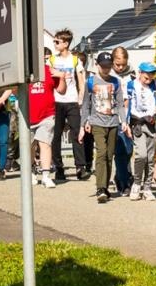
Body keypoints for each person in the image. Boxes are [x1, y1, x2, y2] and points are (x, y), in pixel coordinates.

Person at [79, 51, 129, 204]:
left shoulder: (116, 81)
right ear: (97, 65)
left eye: (108, 66)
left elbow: (120, 103)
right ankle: (100, 187)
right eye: (103, 66)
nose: (106, 69)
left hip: (113, 122)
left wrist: (124, 121)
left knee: (109, 155)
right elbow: (86, 104)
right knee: (101, 152)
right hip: (97, 122)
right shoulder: (91, 81)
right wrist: (83, 124)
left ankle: (105, 186)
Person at [48, 30, 87, 183]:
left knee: (77, 133)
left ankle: (80, 167)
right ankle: (58, 167)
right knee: (56, 135)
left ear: (66, 43)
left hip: (71, 101)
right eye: (54, 42)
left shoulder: (75, 60)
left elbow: (81, 81)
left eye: (57, 42)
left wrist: (80, 98)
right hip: (56, 101)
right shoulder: (51, 60)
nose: (55, 44)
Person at [127, 61, 156, 199]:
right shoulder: (131, 85)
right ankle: (136, 184)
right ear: (140, 72)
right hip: (137, 124)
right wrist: (125, 123)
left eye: (152, 73)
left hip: (151, 123)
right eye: (147, 73)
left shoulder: (154, 84)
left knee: (150, 158)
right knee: (141, 155)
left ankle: (147, 188)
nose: (150, 76)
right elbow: (126, 104)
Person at [27, 53, 58, 187]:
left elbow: (61, 89)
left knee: (45, 144)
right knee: (29, 146)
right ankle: (31, 171)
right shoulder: (24, 72)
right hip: (28, 116)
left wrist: (61, 77)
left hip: (47, 115)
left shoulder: (49, 71)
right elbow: (15, 91)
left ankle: (46, 176)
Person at [110, 47, 137, 195]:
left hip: (131, 115)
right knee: (120, 150)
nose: (120, 67)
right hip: (115, 116)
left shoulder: (133, 75)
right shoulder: (108, 75)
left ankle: (122, 175)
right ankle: (124, 181)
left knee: (129, 150)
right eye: (117, 64)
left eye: (123, 65)